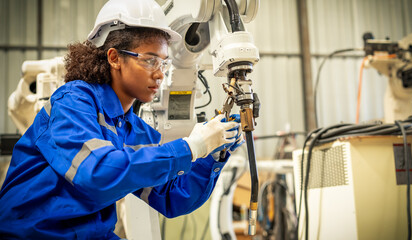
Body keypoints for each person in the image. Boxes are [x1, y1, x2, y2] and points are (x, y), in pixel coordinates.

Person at [0, 0, 244, 239]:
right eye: (150, 60)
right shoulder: (73, 102)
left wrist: (213, 153)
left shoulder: (133, 129)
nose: (160, 74)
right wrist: (193, 146)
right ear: (114, 57)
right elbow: (95, 172)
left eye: (163, 62)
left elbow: (173, 197)